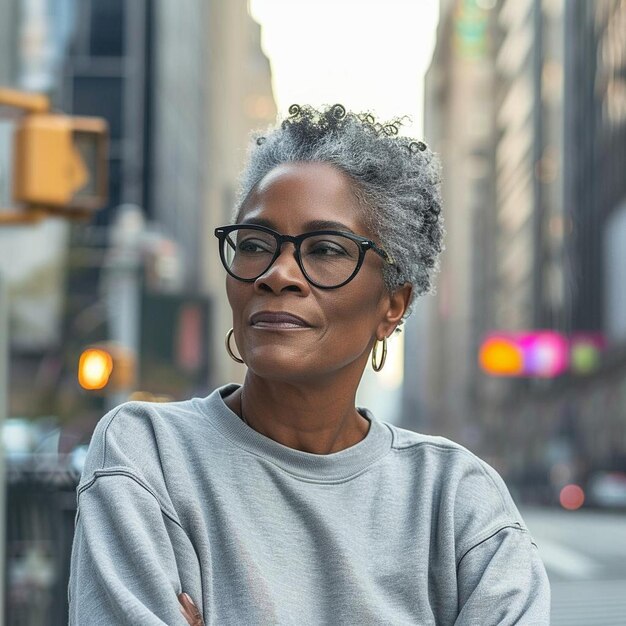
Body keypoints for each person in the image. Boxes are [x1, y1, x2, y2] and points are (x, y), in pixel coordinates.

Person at [68, 104, 550, 625]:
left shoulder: (458, 499)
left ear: (393, 305)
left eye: (323, 249)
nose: (278, 274)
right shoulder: (148, 453)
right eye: (255, 244)